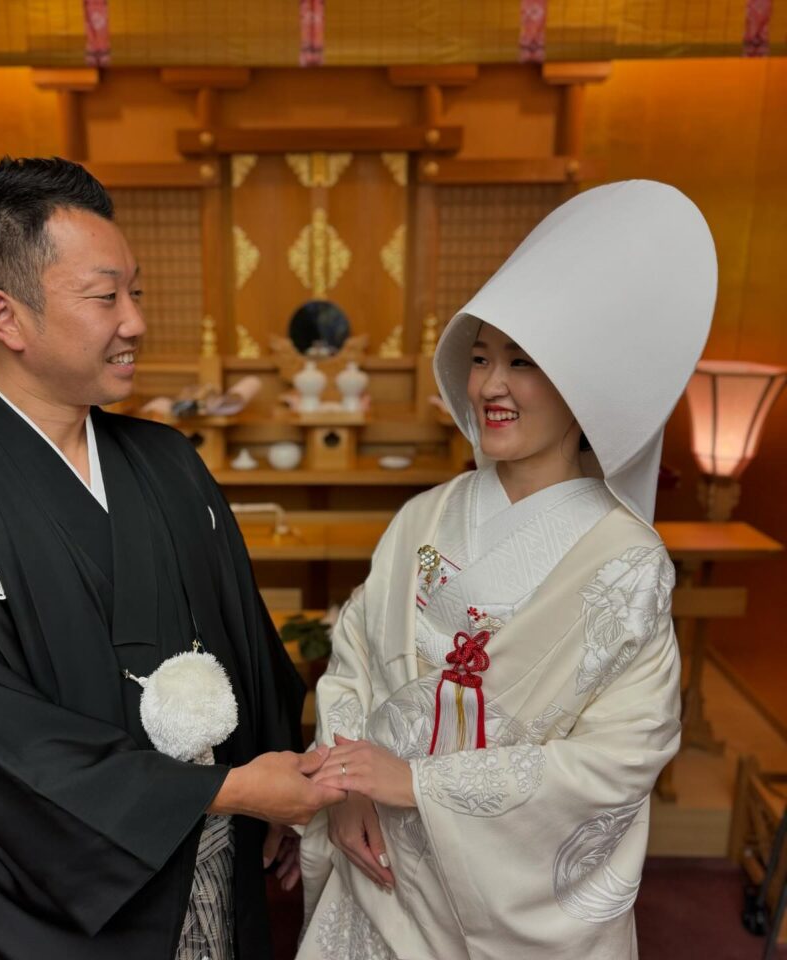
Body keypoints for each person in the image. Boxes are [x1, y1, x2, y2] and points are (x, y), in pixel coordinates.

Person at [0, 156, 344, 960]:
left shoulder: (167, 463)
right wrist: (226, 790)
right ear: (6, 316)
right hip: (86, 907)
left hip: (222, 865)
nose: (135, 321)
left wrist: (270, 780)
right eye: (104, 296)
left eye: (136, 292)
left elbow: (244, 642)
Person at [297, 180, 717, 959]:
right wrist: (347, 785)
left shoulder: (624, 560)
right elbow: (353, 653)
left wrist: (421, 785)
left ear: (580, 384)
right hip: (381, 867)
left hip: (507, 894)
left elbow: (625, 753)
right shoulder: (426, 515)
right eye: (482, 359)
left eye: (522, 363)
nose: (491, 385)